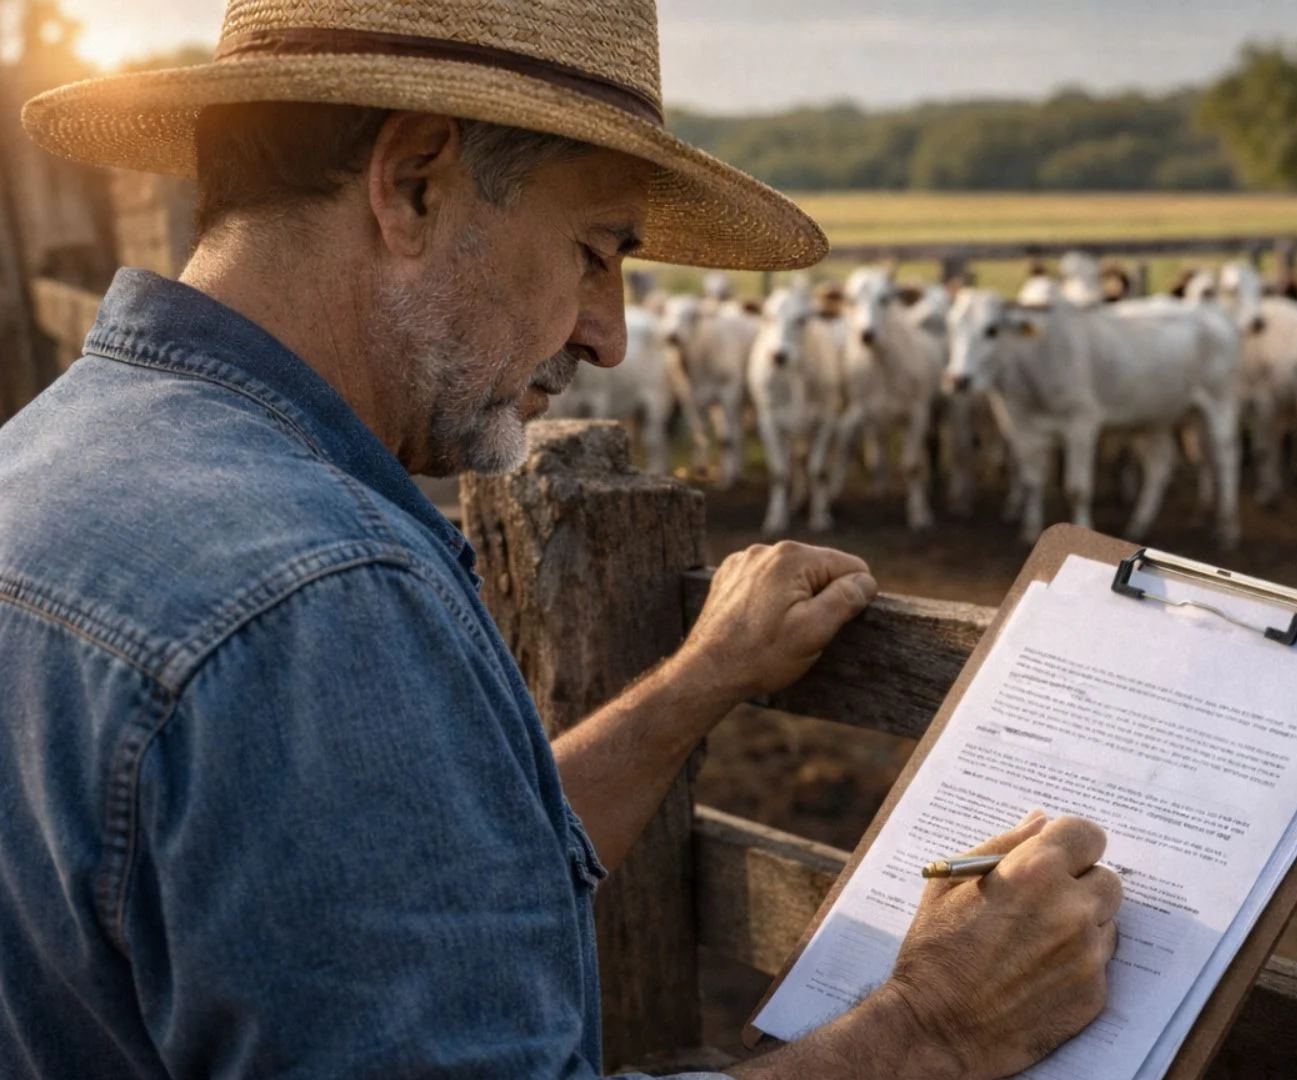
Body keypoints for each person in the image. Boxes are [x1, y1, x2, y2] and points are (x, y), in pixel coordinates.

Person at [0, 2, 1122, 1077]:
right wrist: (932, 1034)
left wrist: (695, 685)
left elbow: (389, 881)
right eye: (597, 249)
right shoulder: (319, 601)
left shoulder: (47, 463)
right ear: (415, 183)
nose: (614, 333)